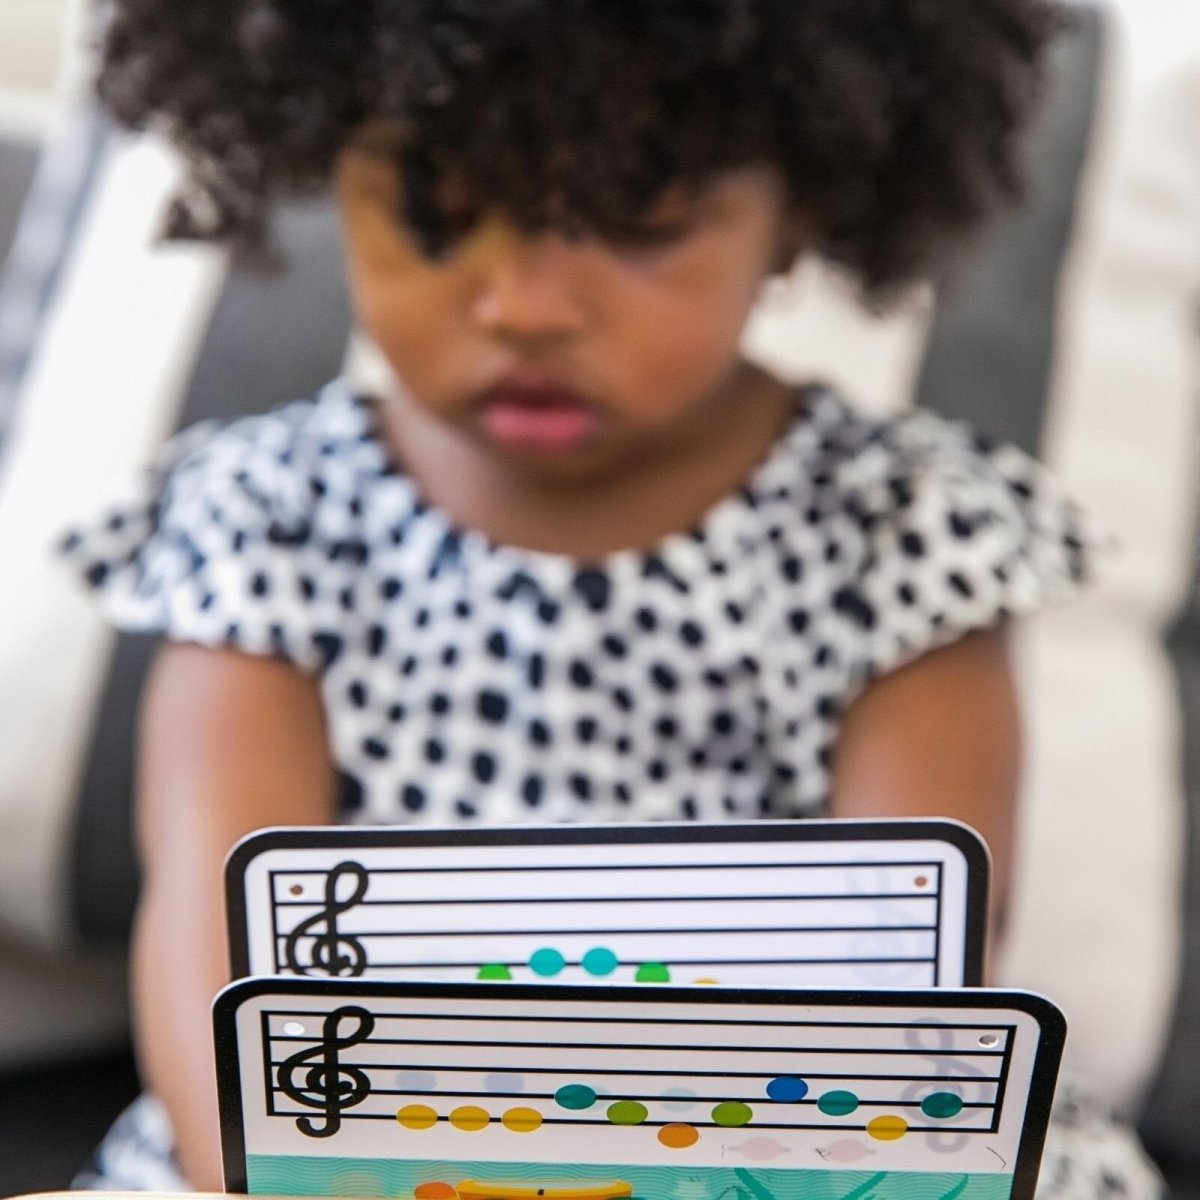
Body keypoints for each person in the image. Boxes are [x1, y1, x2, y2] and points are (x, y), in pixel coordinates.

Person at [61, 2, 1160, 1197]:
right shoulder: (267, 511)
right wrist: (272, 1173)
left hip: (787, 1146)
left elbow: (917, 967)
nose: (529, 306)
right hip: (351, 1147)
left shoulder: (904, 530)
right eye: (440, 214)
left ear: (795, 213)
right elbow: (213, 939)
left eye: (638, 222)